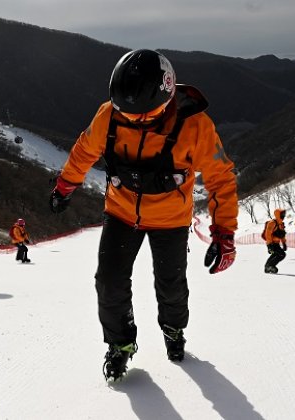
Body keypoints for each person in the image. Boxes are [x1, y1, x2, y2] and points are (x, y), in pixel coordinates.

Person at [49, 49, 239, 381]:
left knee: (171, 285)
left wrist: (224, 233)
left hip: (171, 219)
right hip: (121, 212)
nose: (133, 120)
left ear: (167, 98)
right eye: (127, 114)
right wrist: (65, 186)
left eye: (143, 115)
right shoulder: (110, 115)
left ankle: (173, 329)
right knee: (108, 281)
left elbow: (221, 178)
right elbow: (85, 149)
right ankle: (120, 344)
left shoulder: (196, 126)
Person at [262, 208, 287, 274]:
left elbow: (282, 234)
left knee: (276, 254)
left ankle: (268, 266)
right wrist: (269, 245)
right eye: (282, 214)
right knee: (281, 254)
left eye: (284, 214)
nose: (284, 215)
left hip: (277, 243)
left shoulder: (281, 224)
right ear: (278, 214)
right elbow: (268, 234)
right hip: (272, 243)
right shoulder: (272, 223)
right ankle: (270, 266)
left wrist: (284, 243)